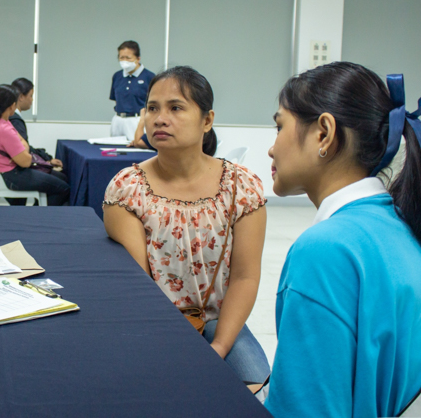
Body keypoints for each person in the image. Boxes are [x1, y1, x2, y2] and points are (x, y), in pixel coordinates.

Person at [262, 62, 421, 417]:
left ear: (323, 133)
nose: (271, 149)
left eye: (279, 127)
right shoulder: (400, 227)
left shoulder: (325, 252)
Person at [103, 66, 270, 385]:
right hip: (151, 324)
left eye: (175, 107)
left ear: (207, 120)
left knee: (258, 391)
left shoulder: (242, 186)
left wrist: (220, 346)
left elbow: (246, 277)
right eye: (152, 108)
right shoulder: (127, 190)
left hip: (220, 320)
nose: (159, 118)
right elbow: (142, 287)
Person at [0, 84, 70, 206]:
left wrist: (23, 145)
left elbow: (23, 145)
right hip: (11, 175)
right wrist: (23, 145)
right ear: (13, 105)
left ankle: (35, 213)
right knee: (63, 188)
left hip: (5, 173)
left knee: (60, 179)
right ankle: (37, 217)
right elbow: (26, 161)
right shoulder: (5, 128)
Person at [9, 77, 63, 169]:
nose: (32, 100)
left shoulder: (11, 118)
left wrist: (45, 157)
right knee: (62, 180)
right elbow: (23, 151)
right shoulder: (15, 121)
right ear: (21, 97)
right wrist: (47, 160)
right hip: (21, 170)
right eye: (31, 96)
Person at [109, 41, 155, 139]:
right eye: (121, 58)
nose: (124, 61)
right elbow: (115, 99)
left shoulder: (149, 77)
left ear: (138, 59)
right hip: (118, 120)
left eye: (128, 58)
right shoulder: (117, 76)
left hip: (137, 120)